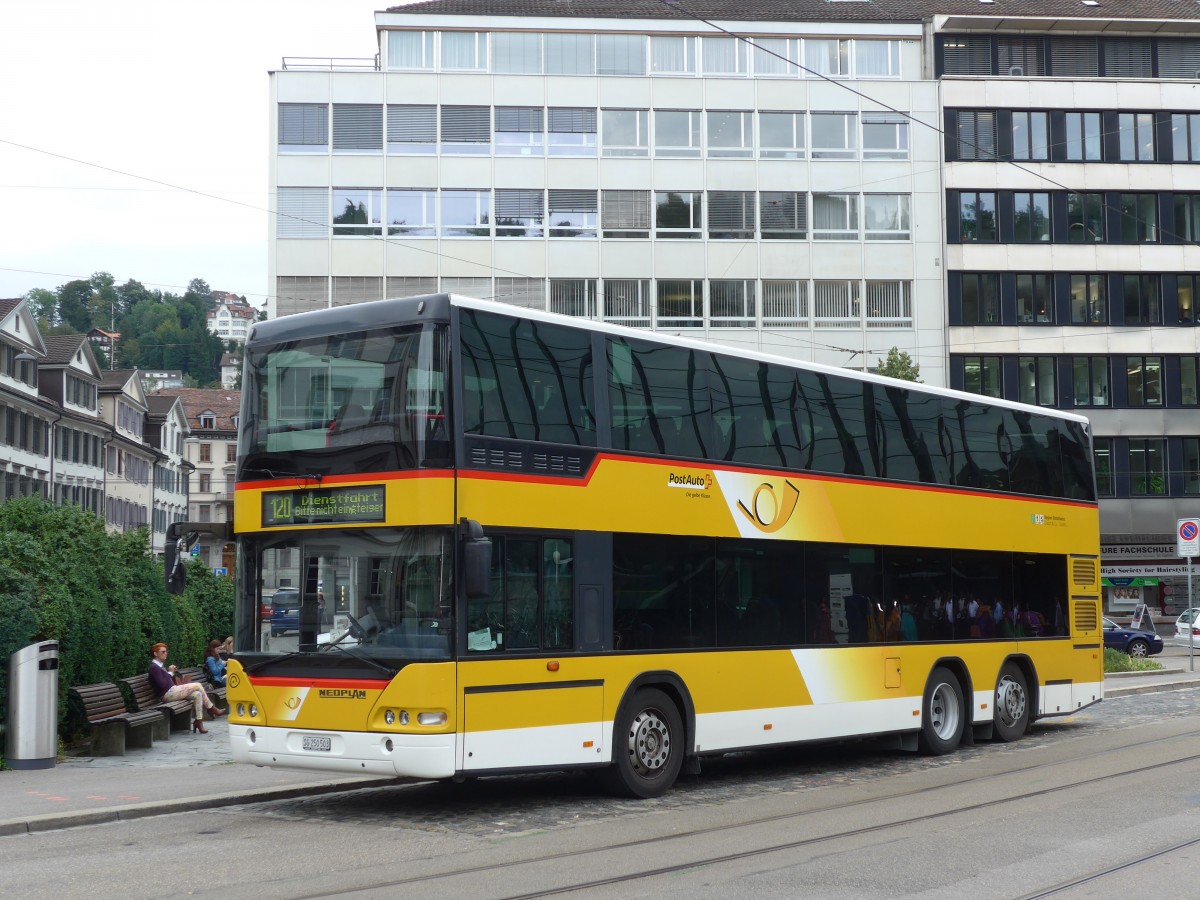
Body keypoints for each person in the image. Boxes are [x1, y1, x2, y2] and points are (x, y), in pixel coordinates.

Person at [148, 642, 225, 733]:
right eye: (163, 652)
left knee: (198, 694)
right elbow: (162, 684)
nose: (166, 653)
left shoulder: (159, 666)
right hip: (167, 694)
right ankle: (211, 708)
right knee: (198, 685)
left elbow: (166, 681)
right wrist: (170, 673)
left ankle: (198, 721)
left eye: (166, 651)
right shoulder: (154, 667)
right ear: (155, 654)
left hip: (172, 692)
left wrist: (169, 672)